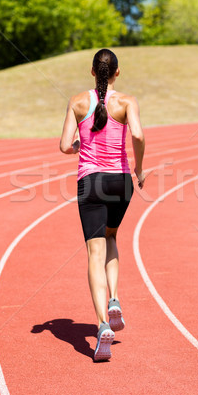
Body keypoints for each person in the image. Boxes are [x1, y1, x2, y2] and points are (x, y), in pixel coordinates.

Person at [60, 48, 145, 362]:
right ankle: (114, 299)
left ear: (92, 72)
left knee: (95, 252)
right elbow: (136, 133)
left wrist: (81, 146)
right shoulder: (127, 102)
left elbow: (64, 145)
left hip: (91, 182)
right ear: (117, 73)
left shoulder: (78, 102)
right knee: (112, 237)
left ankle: (101, 325)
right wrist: (139, 168)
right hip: (120, 182)